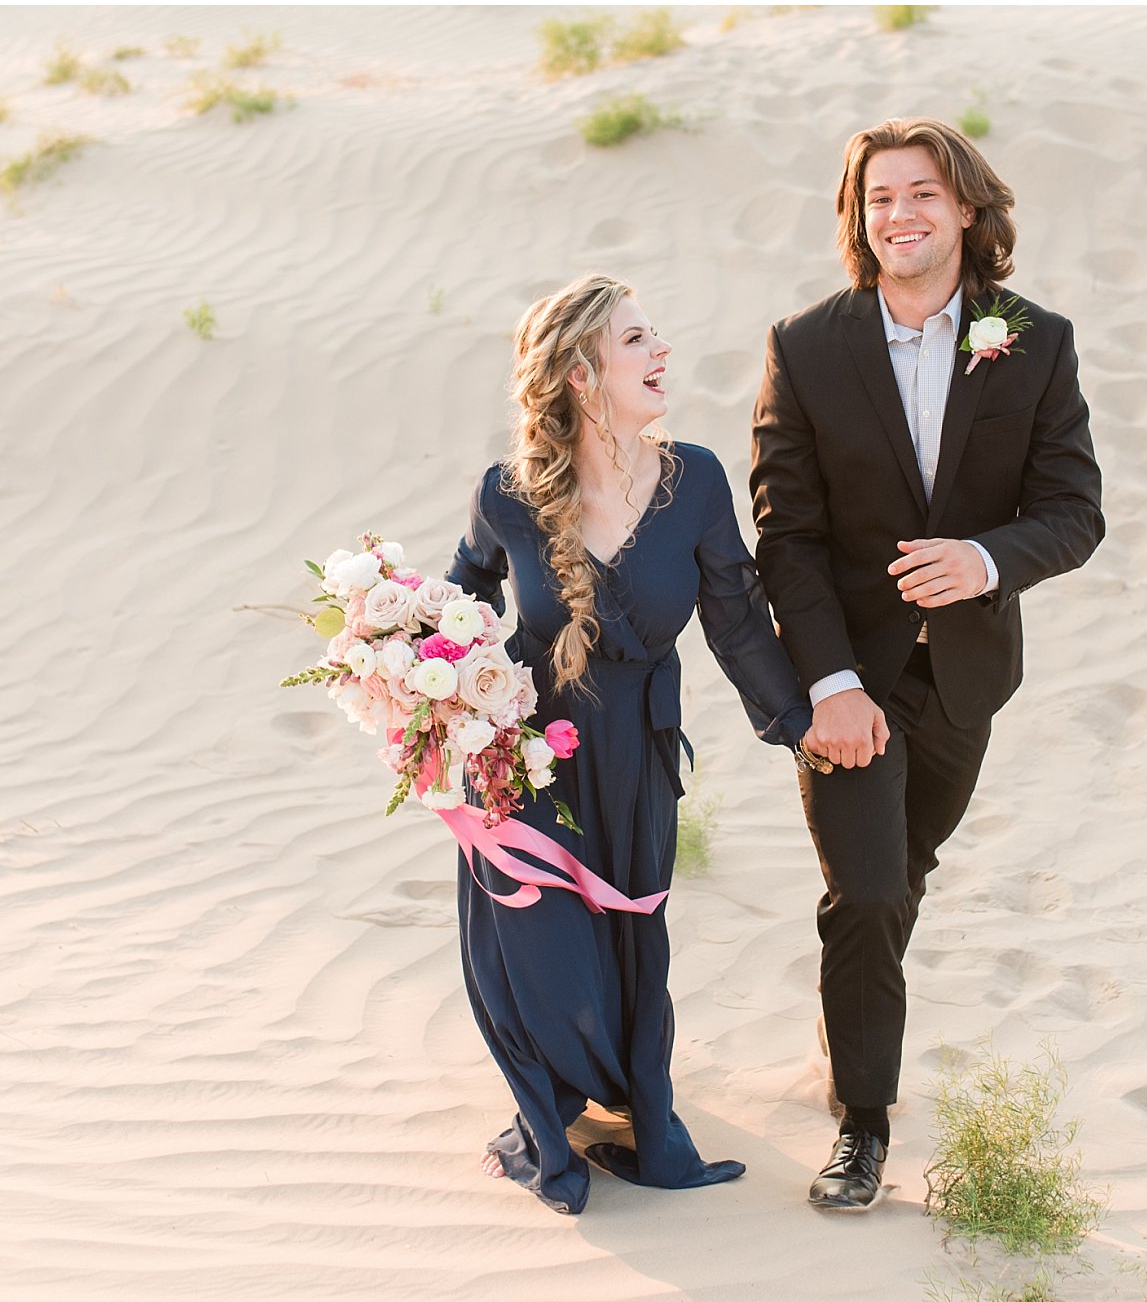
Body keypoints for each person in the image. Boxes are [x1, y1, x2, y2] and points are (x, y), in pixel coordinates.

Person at [749, 118, 1105, 1210]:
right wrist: (828, 682)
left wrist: (986, 558)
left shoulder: (1031, 340)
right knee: (862, 888)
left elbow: (1072, 512)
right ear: (856, 220)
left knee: (898, 881)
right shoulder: (805, 345)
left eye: (919, 194)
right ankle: (863, 1121)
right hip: (843, 675)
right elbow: (784, 534)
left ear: (964, 210)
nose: (896, 214)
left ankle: (845, 1019)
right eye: (876, 199)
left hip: (961, 676)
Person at [448, 273, 814, 1215]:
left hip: (636, 756)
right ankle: (551, 1110)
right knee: (543, 947)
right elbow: (458, 604)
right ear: (580, 372)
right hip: (529, 763)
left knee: (626, 937)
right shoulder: (507, 493)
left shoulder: (692, 482)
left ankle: (629, 1112)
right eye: (638, 338)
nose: (662, 352)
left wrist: (802, 723)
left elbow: (737, 623)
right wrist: (444, 689)